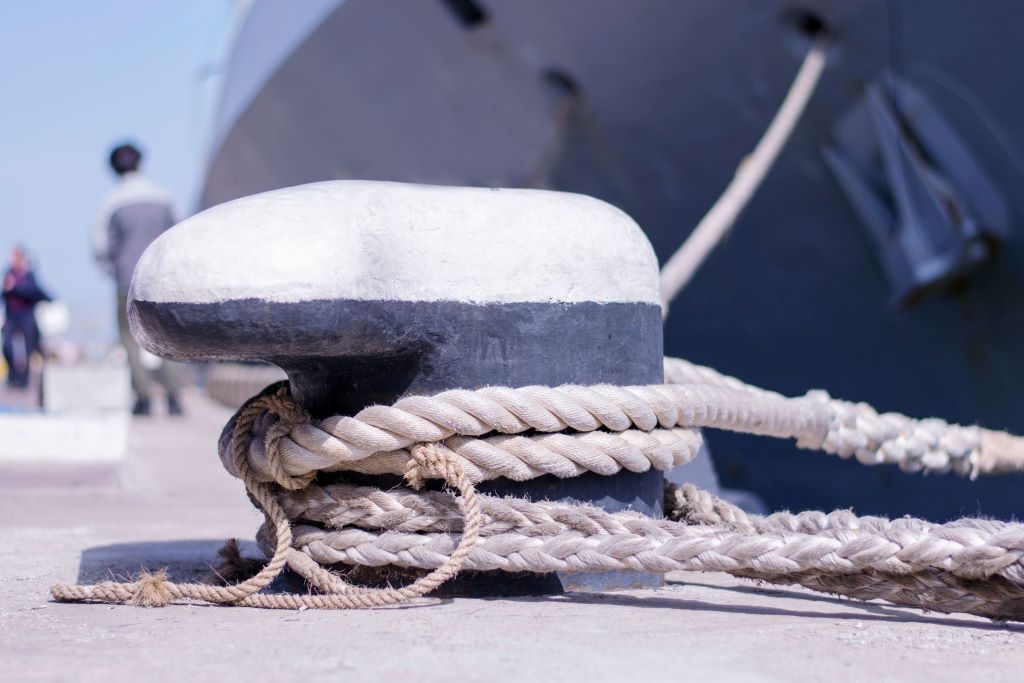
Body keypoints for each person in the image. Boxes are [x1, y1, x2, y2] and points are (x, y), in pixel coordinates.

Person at [94, 142, 184, 416]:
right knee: (169, 336)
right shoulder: (164, 196)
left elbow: (99, 247)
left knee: (130, 338)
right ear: (141, 163)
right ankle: (174, 397)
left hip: (127, 281)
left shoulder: (111, 202)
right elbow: (180, 234)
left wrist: (115, 269)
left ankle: (143, 397)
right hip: (164, 279)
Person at [2, 246, 51, 388]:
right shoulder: (8, 274)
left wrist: (15, 287)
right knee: (7, 347)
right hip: (11, 316)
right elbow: (4, 294)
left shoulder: (28, 275)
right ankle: (13, 378)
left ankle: (25, 380)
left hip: (26, 316)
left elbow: (34, 292)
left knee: (30, 348)